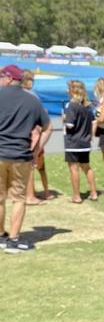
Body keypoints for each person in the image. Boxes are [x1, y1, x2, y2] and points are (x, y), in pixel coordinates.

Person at [0, 65, 52, 253]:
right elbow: (48, 127)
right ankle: (13, 239)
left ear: (7, 78)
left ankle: (1, 236)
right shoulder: (32, 101)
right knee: (18, 198)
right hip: (21, 155)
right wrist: (36, 150)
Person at [63, 80, 98, 203]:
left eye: (68, 89)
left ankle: (76, 196)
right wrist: (90, 136)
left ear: (72, 91)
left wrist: (64, 119)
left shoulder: (71, 106)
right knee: (87, 167)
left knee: (74, 169)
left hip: (73, 142)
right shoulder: (88, 107)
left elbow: (70, 125)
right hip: (85, 142)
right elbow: (94, 123)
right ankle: (93, 193)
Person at [21, 70, 52, 205]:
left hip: (16, 134)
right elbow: (42, 120)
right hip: (31, 134)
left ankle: (25, 192)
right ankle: (30, 194)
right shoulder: (32, 96)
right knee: (32, 165)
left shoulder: (13, 94)